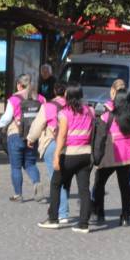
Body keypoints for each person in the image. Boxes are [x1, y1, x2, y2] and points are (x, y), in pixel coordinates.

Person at [38, 82, 95, 233]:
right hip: (86, 154)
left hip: (70, 154)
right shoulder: (90, 111)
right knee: (84, 189)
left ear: (67, 95)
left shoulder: (65, 113)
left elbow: (62, 136)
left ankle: (53, 218)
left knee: (56, 184)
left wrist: (56, 155)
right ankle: (84, 223)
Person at [92, 78, 130, 219]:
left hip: (111, 156)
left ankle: (99, 213)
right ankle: (125, 217)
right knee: (125, 186)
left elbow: (100, 138)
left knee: (99, 183)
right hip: (127, 157)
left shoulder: (107, 116)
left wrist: (96, 157)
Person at [27, 82, 70, 224]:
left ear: (53, 91)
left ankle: (61, 212)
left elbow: (37, 125)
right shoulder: (72, 106)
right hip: (71, 145)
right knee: (65, 179)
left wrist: (31, 138)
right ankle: (62, 210)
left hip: (52, 143)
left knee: (56, 180)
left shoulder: (47, 106)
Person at [0, 74, 44, 202]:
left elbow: (6, 118)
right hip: (32, 137)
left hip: (16, 135)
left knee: (16, 167)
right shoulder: (40, 98)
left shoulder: (14, 99)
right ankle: (36, 183)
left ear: (19, 85)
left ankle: (18, 195)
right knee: (30, 163)